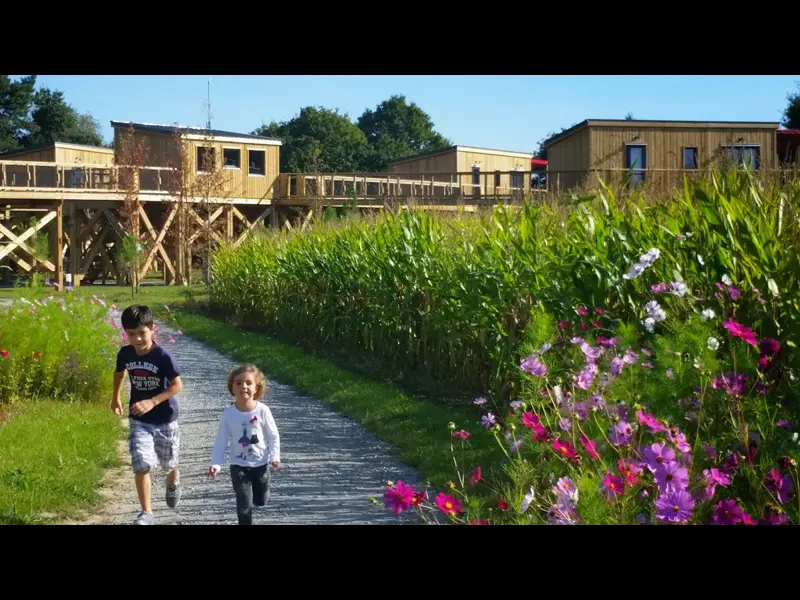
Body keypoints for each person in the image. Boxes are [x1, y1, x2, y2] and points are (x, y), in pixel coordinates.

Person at [111, 305, 183, 525]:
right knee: (141, 463)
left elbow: (176, 386)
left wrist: (152, 401)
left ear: (152, 329)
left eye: (142, 333)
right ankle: (146, 513)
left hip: (165, 418)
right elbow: (119, 373)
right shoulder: (125, 353)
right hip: (139, 419)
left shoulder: (162, 357)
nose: (137, 339)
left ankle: (173, 482)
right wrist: (115, 398)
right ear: (125, 333)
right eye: (131, 334)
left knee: (168, 463)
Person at [209, 364, 280, 525]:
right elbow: (221, 439)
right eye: (238, 383)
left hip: (261, 464)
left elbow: (273, 435)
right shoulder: (229, 413)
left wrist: (275, 456)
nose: (244, 387)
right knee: (244, 502)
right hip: (238, 465)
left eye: (248, 383)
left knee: (261, 500)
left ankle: (261, 495)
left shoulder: (263, 411)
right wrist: (216, 463)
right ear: (232, 388)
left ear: (257, 388)